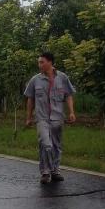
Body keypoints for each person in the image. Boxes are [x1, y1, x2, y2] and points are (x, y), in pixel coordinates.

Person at [24, 51, 76, 184]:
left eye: (42, 62)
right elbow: (30, 99)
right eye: (39, 62)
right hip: (42, 118)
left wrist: (71, 112)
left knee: (56, 145)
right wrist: (28, 117)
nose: (39, 64)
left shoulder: (62, 78)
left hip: (57, 118)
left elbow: (68, 95)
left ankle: (54, 171)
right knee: (46, 144)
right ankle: (45, 171)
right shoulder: (35, 80)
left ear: (50, 62)